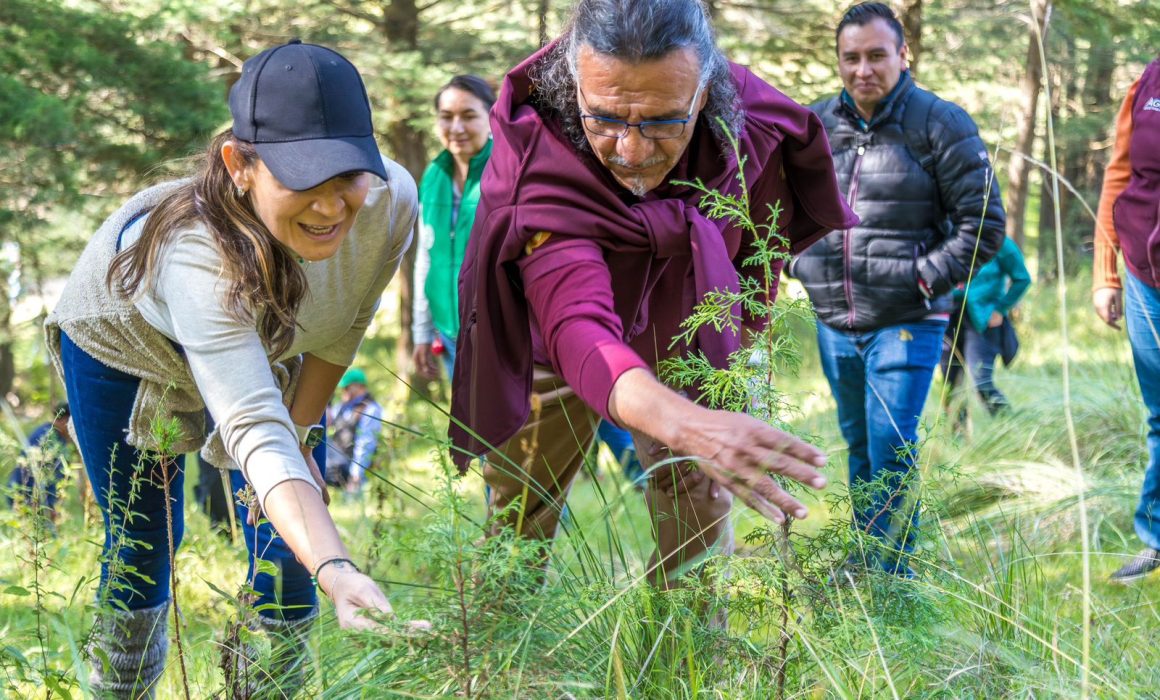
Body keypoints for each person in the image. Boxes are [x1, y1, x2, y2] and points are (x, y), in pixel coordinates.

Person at [46, 40, 418, 698]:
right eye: (305, 179)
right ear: (239, 165)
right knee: (143, 541)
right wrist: (338, 562)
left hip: (271, 344)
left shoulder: (389, 203)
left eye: (348, 177)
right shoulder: (197, 255)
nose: (333, 207)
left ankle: (268, 689)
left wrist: (302, 441)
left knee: (290, 543)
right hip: (124, 346)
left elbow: (343, 327)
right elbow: (251, 422)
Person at [449, 0, 858, 588]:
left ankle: (681, 670)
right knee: (520, 517)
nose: (632, 152)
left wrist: (732, 354)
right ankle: (495, 667)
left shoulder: (752, 129)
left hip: (690, 330)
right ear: (574, 87)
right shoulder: (538, 151)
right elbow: (577, 326)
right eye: (606, 119)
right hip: (555, 348)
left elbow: (758, 256)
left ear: (705, 92)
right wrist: (691, 424)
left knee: (699, 521)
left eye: (664, 122)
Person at [790, 2, 1005, 576]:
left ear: (902, 55)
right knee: (859, 446)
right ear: (838, 60)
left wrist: (923, 275)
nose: (863, 69)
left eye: (876, 56)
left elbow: (984, 222)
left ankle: (889, 570)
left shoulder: (940, 122)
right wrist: (799, 263)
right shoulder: (816, 125)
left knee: (890, 447)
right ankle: (873, 560)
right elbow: (782, 206)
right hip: (834, 319)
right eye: (851, 57)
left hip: (907, 318)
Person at [1092, 55, 1160, 584]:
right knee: (1159, 415)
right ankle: (1156, 539)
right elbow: (1119, 175)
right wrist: (1106, 274)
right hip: (1144, 273)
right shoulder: (1147, 81)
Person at [412, 75, 496, 382]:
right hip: (449, 333)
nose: (456, 128)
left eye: (469, 116)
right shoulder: (433, 176)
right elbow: (426, 258)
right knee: (467, 426)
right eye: (446, 117)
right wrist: (421, 331)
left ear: (492, 117)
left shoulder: (507, 172)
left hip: (501, 337)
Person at [941, 237, 1031, 423]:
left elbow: (1022, 278)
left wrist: (1000, 309)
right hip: (948, 317)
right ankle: (958, 437)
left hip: (982, 321)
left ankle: (1010, 426)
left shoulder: (999, 241)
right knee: (950, 383)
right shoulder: (948, 233)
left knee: (981, 381)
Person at [6, 403, 73, 521]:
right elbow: (34, 471)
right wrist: (42, 503)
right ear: (64, 420)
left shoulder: (58, 438)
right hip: (26, 496)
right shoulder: (46, 437)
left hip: (37, 499)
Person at [326, 367, 384, 494]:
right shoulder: (342, 407)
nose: (343, 391)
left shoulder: (371, 409)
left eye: (346, 387)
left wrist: (356, 474)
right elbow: (327, 423)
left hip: (352, 465)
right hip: (338, 459)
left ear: (357, 386)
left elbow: (366, 443)